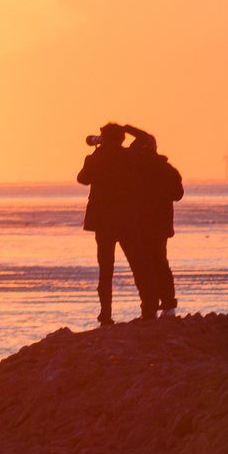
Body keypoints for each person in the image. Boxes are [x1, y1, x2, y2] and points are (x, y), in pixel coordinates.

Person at [77, 122, 152, 324]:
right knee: (138, 265)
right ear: (121, 138)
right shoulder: (128, 156)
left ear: (104, 138)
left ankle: (106, 315)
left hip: (102, 221)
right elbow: (144, 137)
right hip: (126, 218)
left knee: (106, 269)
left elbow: (82, 179)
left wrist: (95, 155)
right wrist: (127, 127)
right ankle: (149, 308)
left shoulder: (95, 158)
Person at [123, 125, 183, 317]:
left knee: (145, 265)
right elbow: (178, 195)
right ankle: (168, 305)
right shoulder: (168, 169)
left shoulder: (134, 167)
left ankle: (149, 307)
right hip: (162, 225)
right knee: (161, 263)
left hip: (140, 223)